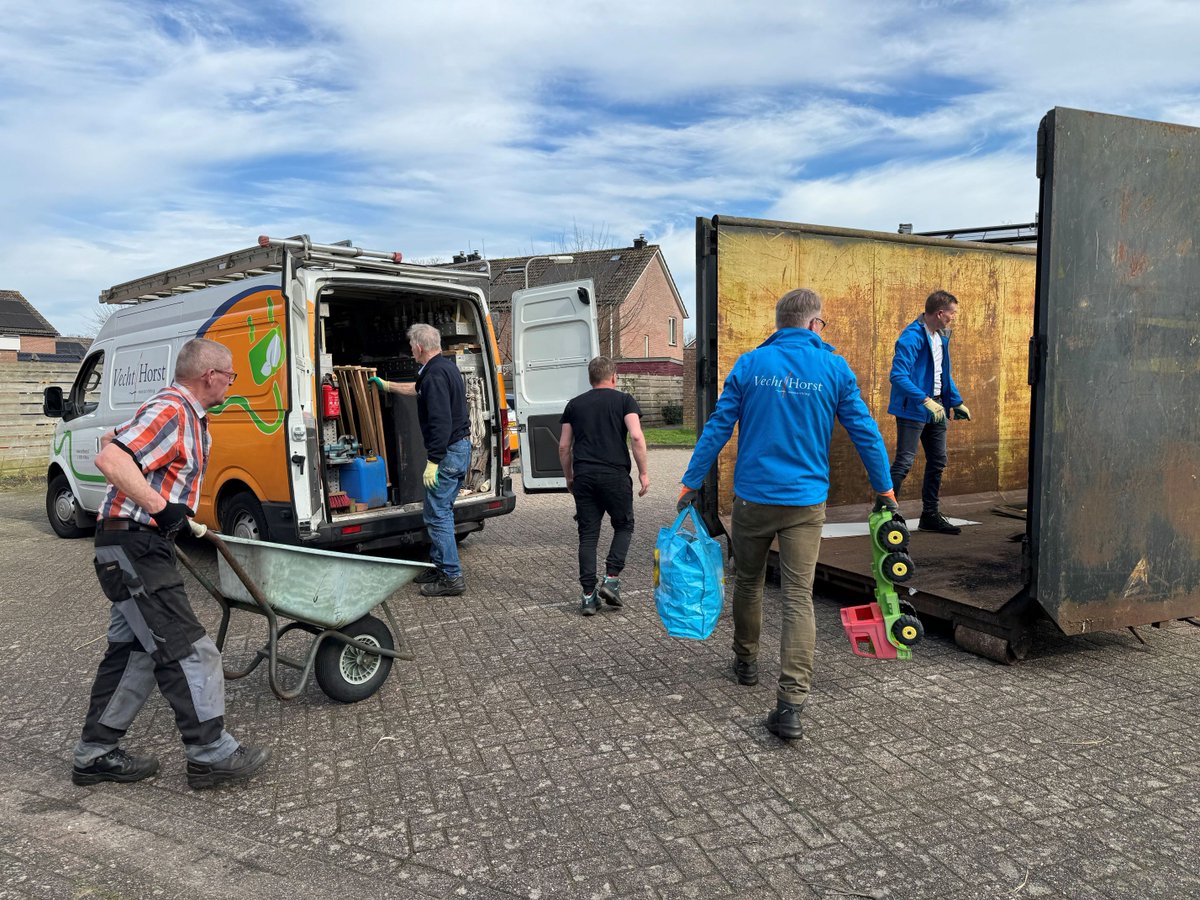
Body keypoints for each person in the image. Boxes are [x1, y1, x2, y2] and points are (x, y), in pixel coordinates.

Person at [676, 289, 895, 741]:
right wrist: (884, 489)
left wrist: (691, 481)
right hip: (804, 503)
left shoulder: (751, 364)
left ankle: (746, 663)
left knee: (750, 582)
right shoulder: (834, 368)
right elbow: (866, 433)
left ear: (780, 323)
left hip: (753, 500)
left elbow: (718, 425)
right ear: (815, 324)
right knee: (799, 596)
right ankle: (791, 706)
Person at [73, 338, 271, 790]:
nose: (232, 384)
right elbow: (110, 457)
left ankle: (95, 753)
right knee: (189, 648)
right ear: (211, 376)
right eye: (231, 376)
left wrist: (165, 511)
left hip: (131, 546)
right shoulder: (173, 409)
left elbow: (110, 437)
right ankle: (210, 753)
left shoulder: (175, 411)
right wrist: (160, 508)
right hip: (134, 545)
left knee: (134, 653)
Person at [371, 323, 470, 596]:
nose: (410, 349)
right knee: (438, 512)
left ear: (419, 347)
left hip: (448, 452)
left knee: (438, 515)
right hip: (457, 449)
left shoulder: (436, 375)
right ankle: (440, 565)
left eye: (412, 345)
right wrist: (387, 385)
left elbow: (441, 421)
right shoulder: (442, 368)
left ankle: (451, 577)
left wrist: (435, 460)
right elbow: (418, 390)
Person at [558, 357, 650, 616]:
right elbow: (636, 436)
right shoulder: (624, 401)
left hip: (585, 476)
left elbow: (564, 447)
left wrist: (569, 477)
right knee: (624, 525)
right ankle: (611, 580)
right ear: (614, 377)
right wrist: (643, 472)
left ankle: (588, 597)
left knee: (588, 536)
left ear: (590, 379)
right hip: (615, 476)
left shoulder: (574, 405)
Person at [887, 290, 971, 535]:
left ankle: (930, 515)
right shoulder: (911, 337)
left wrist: (955, 401)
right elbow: (898, 376)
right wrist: (924, 400)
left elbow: (943, 375)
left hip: (937, 407)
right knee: (904, 462)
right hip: (914, 409)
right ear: (940, 313)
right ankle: (885, 513)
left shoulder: (940, 336)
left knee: (938, 461)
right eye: (952, 313)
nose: (954, 318)